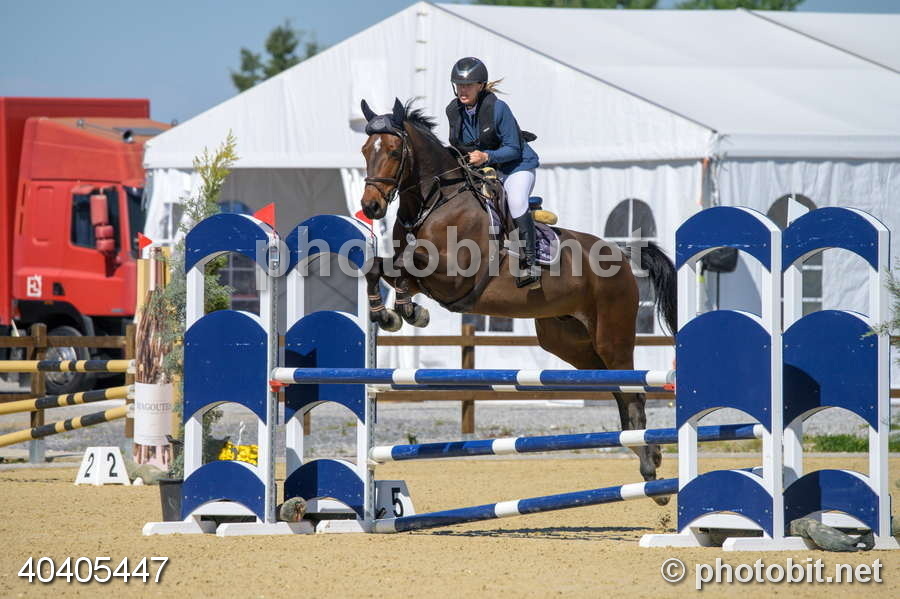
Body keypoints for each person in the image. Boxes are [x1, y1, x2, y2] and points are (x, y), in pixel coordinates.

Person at [446, 57, 541, 289]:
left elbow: (513, 148)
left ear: (481, 86)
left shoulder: (498, 108)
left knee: (515, 201)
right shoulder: (453, 110)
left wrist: (486, 157)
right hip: (485, 170)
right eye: (459, 85)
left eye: (468, 85)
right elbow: (458, 145)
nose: (462, 90)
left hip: (517, 166)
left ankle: (530, 262)